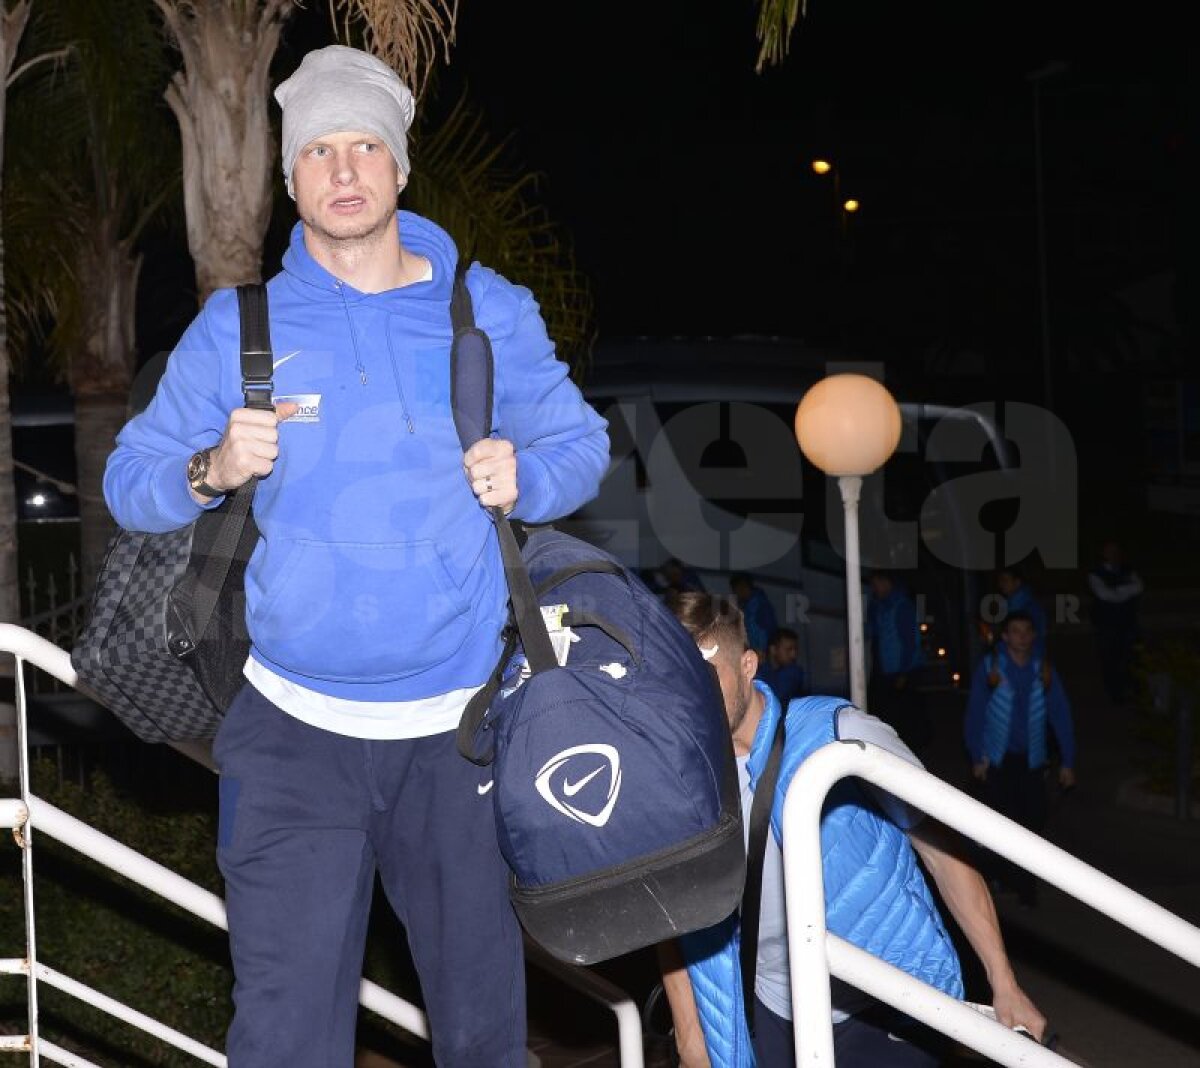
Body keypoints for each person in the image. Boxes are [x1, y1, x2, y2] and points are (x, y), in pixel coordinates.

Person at [103, 45, 609, 1067]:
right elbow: (129, 479)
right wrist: (210, 467)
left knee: (484, 1038)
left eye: (365, 147)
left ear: (400, 167)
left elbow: (582, 445)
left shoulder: (483, 309)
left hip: (461, 733)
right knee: (284, 1040)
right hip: (290, 739)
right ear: (291, 180)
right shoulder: (239, 326)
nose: (343, 170)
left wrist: (529, 475)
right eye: (319, 151)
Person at [659, 593, 1046, 1068]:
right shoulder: (682, 779)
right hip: (776, 1008)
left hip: (886, 1001)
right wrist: (690, 1033)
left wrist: (1003, 982)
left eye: (706, 679)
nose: (692, 701)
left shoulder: (838, 735)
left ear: (748, 665)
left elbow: (943, 853)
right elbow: (672, 909)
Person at [965, 611, 1077, 908]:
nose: (1022, 637)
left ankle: (1013, 878)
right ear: (1005, 636)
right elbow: (975, 714)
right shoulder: (991, 669)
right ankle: (1021, 886)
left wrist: (1068, 761)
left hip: (1033, 761)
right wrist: (977, 756)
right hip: (998, 761)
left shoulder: (1043, 670)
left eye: (1027, 631)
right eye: (1015, 631)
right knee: (1005, 823)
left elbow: (1061, 715)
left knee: (1034, 820)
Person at [865, 570, 931, 756]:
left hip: (900, 669)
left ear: (886, 582)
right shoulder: (878, 606)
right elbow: (873, 633)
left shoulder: (902, 606)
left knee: (905, 712)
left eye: (876, 584)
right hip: (884, 666)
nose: (874, 589)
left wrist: (904, 672)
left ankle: (912, 750)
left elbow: (910, 642)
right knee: (889, 711)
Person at [1087, 540, 1144, 704]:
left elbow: (1139, 587)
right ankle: (1116, 694)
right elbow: (1104, 594)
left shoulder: (1128, 569)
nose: (1113, 554)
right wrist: (1125, 591)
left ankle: (1135, 690)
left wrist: (1117, 592)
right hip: (1107, 625)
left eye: (1115, 550)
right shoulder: (1095, 573)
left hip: (1128, 622)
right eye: (1109, 551)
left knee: (1133, 657)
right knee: (1110, 659)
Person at [995, 567, 1047, 657]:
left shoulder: (1030, 607)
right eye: (1000, 580)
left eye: (1005, 580)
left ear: (1017, 582)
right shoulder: (1008, 604)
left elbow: (1037, 637)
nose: (1001, 584)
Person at [730, 572, 777, 658]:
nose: (736, 594)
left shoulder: (761, 605)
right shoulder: (746, 607)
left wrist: (766, 653)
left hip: (762, 656)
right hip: (755, 655)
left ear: (743, 586)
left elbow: (770, 632)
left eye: (735, 590)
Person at [756, 626, 806, 705]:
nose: (793, 655)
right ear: (773, 650)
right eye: (789, 649)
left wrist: (757, 666)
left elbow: (774, 696)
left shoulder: (794, 672)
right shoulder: (763, 669)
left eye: (795, 649)